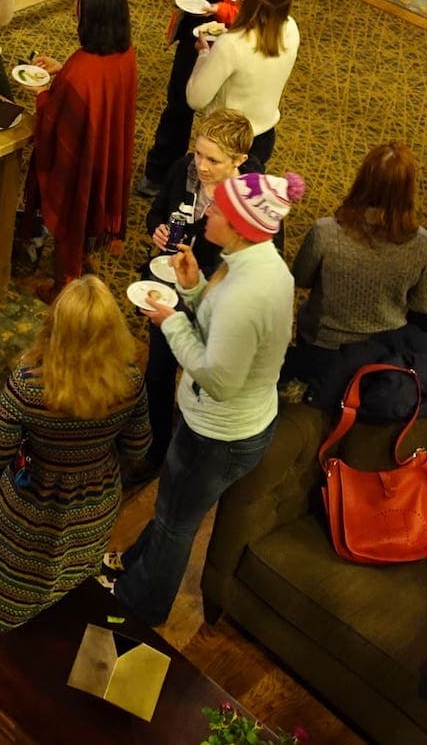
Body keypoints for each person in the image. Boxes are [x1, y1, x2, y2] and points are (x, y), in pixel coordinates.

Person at [115, 172, 300, 626]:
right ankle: (132, 567)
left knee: (177, 522)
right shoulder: (259, 263)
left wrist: (172, 321)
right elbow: (221, 336)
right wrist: (196, 289)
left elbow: (219, 379)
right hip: (231, 424)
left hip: (219, 435)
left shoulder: (246, 295)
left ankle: (140, 605)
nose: (207, 212)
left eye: (217, 209)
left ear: (239, 225)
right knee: (170, 511)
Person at [0, 276, 150, 636]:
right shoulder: (130, 382)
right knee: (73, 574)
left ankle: (2, 625)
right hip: (95, 500)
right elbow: (137, 447)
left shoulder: (29, 384)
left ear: (54, 325)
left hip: (33, 500)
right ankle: (57, 632)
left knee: (16, 571)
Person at [138, 0, 281, 195]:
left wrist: (222, 10)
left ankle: (216, 188)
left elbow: (259, 10)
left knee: (219, 118)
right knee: (178, 103)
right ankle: (161, 174)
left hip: (232, 43)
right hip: (194, 31)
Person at [136, 108, 253, 478]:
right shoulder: (182, 170)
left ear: (240, 161)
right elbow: (155, 213)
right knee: (158, 372)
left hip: (214, 306)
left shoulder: (249, 204)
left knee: (201, 385)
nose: (201, 166)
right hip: (168, 289)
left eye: (213, 160)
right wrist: (155, 229)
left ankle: (191, 454)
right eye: (199, 153)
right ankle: (156, 449)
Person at [19, 0, 138, 293]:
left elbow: (55, 122)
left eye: (79, 4)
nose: (74, 8)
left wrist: (42, 92)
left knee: (74, 207)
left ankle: (64, 286)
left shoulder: (80, 70)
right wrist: (61, 69)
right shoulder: (126, 54)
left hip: (83, 159)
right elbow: (99, 94)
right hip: (108, 153)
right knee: (91, 209)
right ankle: (88, 254)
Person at [290, 141, 427, 360]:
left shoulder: (326, 231)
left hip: (322, 342)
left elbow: (301, 278)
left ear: (361, 181)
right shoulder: (422, 243)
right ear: (409, 190)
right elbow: (423, 305)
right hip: (384, 346)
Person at [183, 0, 298, 172]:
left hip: (226, 143)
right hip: (263, 135)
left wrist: (204, 54)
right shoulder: (291, 27)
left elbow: (195, 99)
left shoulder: (233, 44)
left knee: (213, 203)